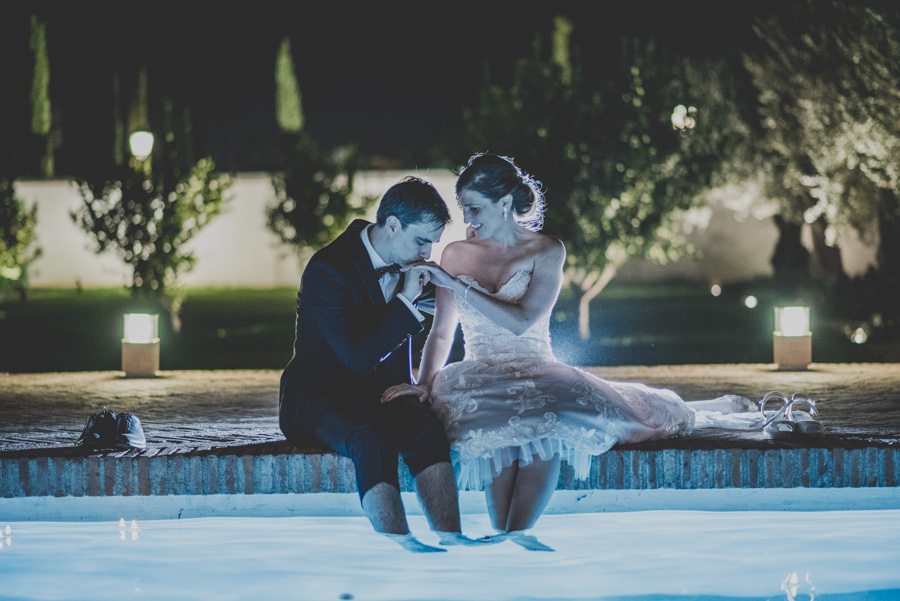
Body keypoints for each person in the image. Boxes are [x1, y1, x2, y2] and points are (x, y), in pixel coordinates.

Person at [382, 154, 757, 551]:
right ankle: (508, 535)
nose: (468, 219)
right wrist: (424, 383)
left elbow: (523, 320)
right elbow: (441, 332)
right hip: (478, 369)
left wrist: (459, 287)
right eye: (464, 209)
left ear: (505, 203)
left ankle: (518, 532)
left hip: (535, 365)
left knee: (548, 417)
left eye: (474, 208)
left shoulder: (547, 251)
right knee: (495, 424)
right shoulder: (454, 255)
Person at [279, 176, 491, 552]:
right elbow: (357, 358)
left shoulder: (413, 266)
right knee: (370, 437)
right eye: (421, 240)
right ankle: (401, 543)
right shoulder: (328, 269)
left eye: (432, 242)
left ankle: (452, 537)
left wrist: (453, 286)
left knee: (426, 429)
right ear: (393, 224)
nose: (428, 252)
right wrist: (407, 302)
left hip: (384, 389)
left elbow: (454, 317)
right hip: (320, 393)